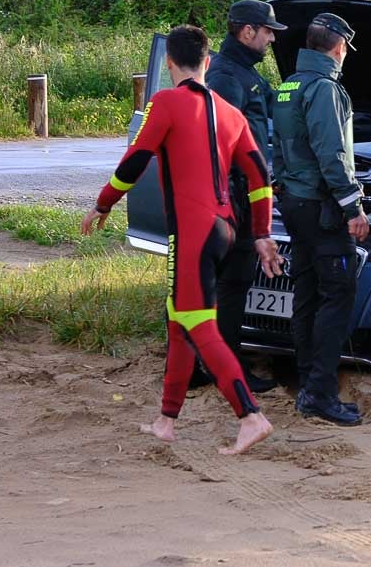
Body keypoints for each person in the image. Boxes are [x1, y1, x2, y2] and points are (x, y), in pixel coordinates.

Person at [80, 24, 281, 455]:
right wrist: (261, 233)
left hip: (193, 232)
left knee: (197, 322)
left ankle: (250, 416)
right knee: (179, 319)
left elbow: (135, 160)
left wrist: (103, 203)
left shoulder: (165, 102)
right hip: (227, 230)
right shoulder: (232, 113)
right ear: (207, 62)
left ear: (169, 63)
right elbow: (261, 178)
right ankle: (166, 421)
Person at [271, 13, 369, 426]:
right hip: (322, 207)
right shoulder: (326, 89)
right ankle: (321, 392)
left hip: (293, 203)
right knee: (338, 293)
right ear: (339, 47)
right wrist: (354, 208)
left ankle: (308, 383)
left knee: (308, 292)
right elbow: (332, 155)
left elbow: (277, 146)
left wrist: (282, 189)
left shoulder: (288, 86)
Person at [204, 0, 286, 393]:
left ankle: (220, 365)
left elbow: (272, 112)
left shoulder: (245, 72)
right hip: (232, 195)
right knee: (229, 285)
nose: (272, 38)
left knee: (232, 284)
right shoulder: (226, 76)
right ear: (247, 31)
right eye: (268, 30)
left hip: (242, 191)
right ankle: (223, 369)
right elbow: (219, 142)